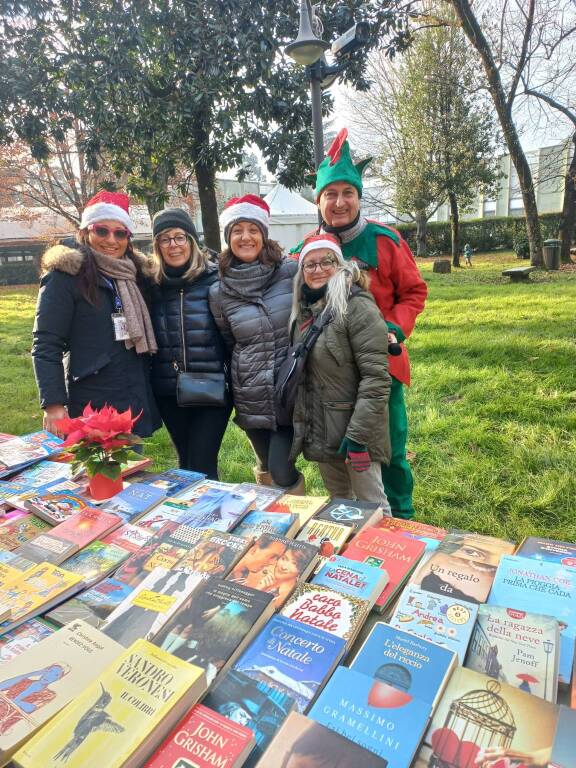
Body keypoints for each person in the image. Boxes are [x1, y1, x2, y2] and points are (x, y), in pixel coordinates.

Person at [291, 129, 427, 519]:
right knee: (337, 450)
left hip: (379, 364)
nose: (339, 202)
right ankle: (351, 517)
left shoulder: (386, 241)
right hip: (329, 374)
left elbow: (414, 293)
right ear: (319, 201)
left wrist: (393, 329)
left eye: (347, 193)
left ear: (358, 197)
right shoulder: (305, 253)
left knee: (390, 448)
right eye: (330, 194)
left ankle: (400, 521)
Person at [32, 190, 160, 440]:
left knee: (130, 472)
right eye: (102, 230)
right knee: (96, 475)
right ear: (86, 232)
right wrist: (54, 404)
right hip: (90, 399)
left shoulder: (135, 276)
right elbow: (46, 343)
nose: (111, 240)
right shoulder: (65, 276)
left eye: (120, 233)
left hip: (130, 394)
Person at [289, 233, 392, 508]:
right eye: (310, 265)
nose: (319, 269)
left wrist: (358, 436)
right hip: (323, 430)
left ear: (341, 264)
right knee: (340, 506)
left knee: (373, 507)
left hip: (355, 431)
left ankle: (384, 551)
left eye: (327, 261)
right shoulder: (305, 310)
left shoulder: (356, 305)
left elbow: (377, 379)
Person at [209, 194, 302, 492]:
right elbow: (229, 340)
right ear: (228, 238)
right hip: (250, 391)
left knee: (281, 468)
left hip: (288, 388)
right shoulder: (219, 291)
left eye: (253, 230)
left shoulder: (289, 272)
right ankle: (276, 525)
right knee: (265, 466)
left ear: (264, 235)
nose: (245, 237)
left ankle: (302, 515)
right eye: (237, 231)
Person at [149, 207, 232, 478]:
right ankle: (190, 517)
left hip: (210, 388)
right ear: (157, 246)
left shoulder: (216, 279)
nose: (173, 245)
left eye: (179, 237)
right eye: (165, 238)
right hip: (168, 390)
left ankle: (213, 518)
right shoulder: (151, 284)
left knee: (202, 464)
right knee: (186, 463)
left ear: (192, 241)